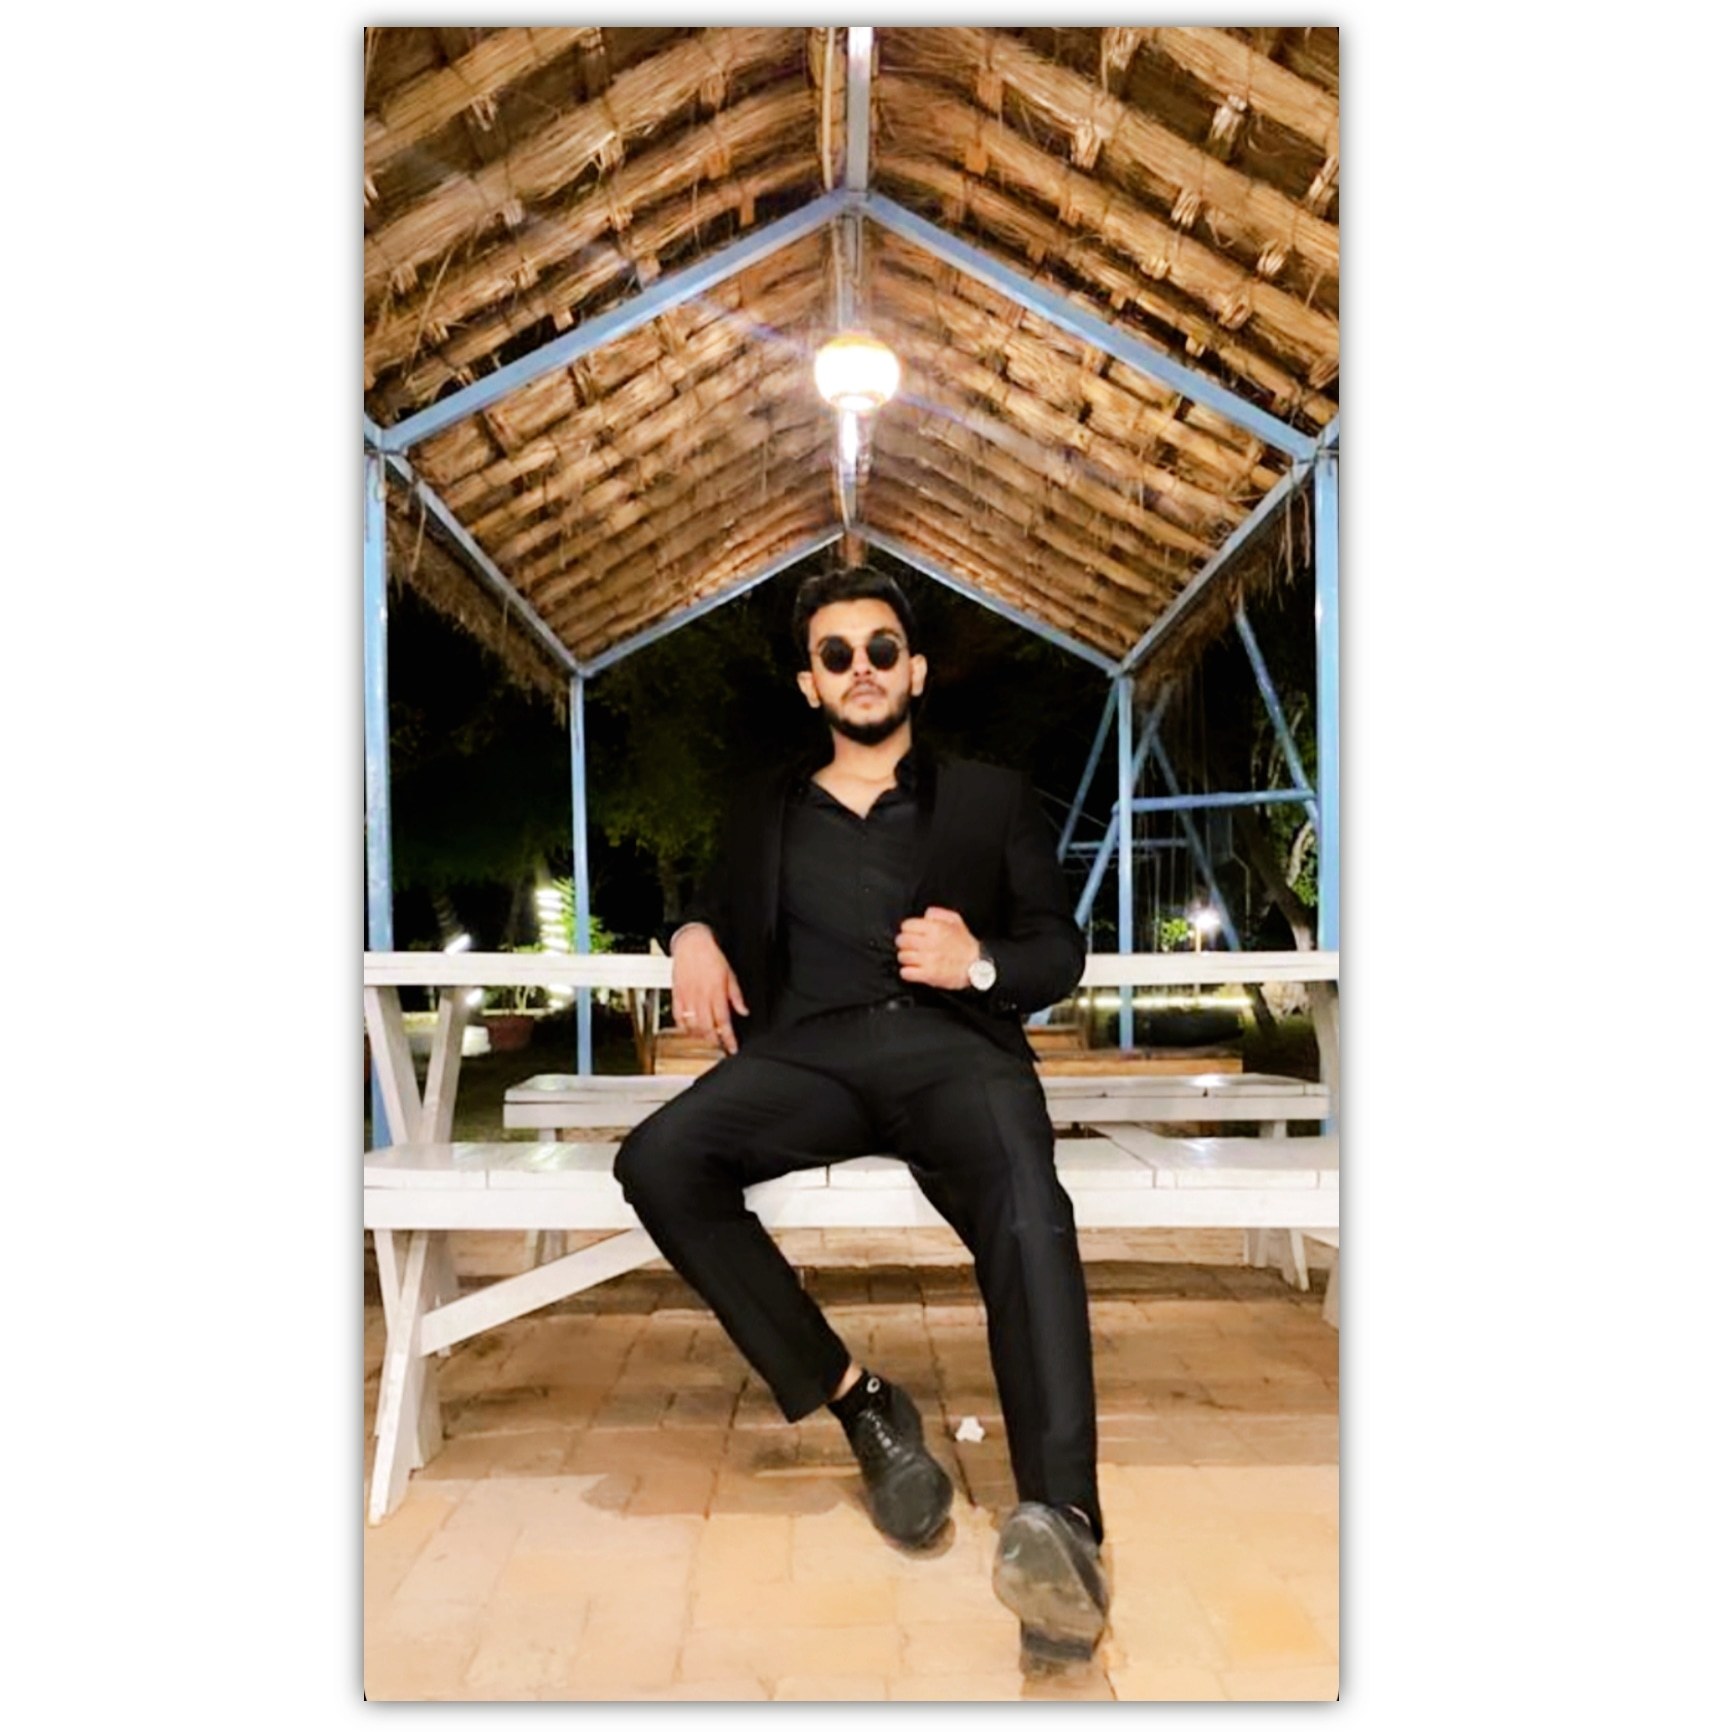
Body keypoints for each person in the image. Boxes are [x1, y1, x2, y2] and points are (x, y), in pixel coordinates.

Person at [613, 567, 1109, 1666]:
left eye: (882, 648)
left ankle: (1064, 1531)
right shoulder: (764, 805)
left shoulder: (987, 797)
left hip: (953, 1052)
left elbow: (1057, 949)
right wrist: (688, 936)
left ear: (915, 670)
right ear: (810, 683)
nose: (862, 669)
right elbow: (706, 902)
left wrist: (979, 963)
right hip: (809, 1058)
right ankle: (859, 1399)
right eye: (836, 654)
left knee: (1029, 1210)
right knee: (658, 1159)